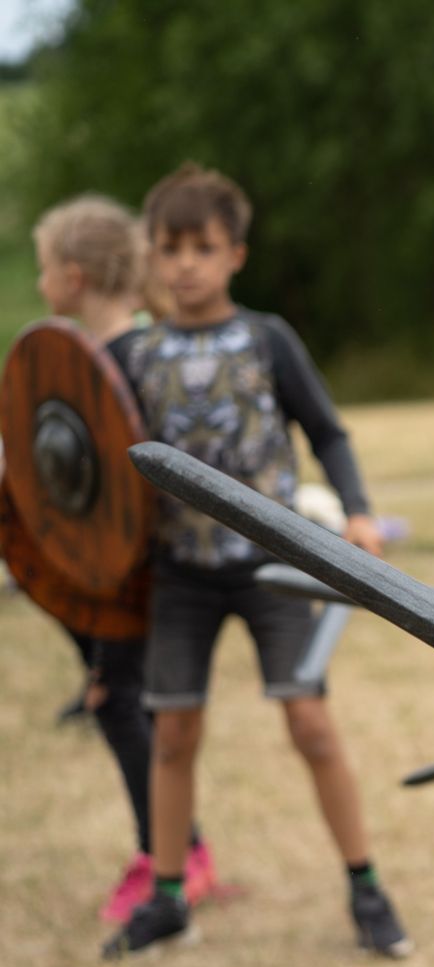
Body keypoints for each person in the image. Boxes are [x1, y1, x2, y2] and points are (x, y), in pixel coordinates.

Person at [100, 163, 409, 959]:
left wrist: (360, 511)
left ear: (235, 253)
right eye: (170, 248)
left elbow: (327, 429)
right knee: (172, 732)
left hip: (275, 566)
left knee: (309, 722)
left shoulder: (268, 339)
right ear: (152, 255)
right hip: (178, 572)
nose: (185, 264)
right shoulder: (132, 355)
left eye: (203, 247)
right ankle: (169, 896)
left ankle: (366, 885)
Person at [30, 194, 217, 923]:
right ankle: (173, 849)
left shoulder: (130, 360)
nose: (42, 280)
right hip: (107, 569)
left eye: (45, 268)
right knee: (127, 705)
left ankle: (172, 855)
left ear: (72, 278)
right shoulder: (111, 353)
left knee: (120, 704)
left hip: (136, 570)